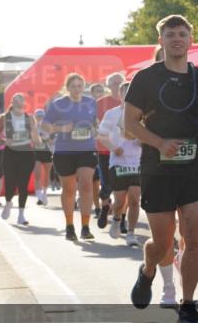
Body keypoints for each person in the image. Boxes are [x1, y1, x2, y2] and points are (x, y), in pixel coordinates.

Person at [126, 15, 198, 323]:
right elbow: (129, 125)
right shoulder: (145, 79)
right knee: (163, 242)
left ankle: (187, 302)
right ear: (161, 41)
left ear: (191, 39)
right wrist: (159, 142)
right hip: (157, 170)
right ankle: (148, 270)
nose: (177, 39)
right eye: (171, 34)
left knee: (194, 238)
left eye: (183, 33)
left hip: (194, 168)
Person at [41, 74, 100, 241]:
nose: (77, 89)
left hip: (87, 150)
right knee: (69, 190)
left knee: (86, 186)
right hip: (64, 152)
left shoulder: (90, 102)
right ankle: (69, 226)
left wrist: (96, 128)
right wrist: (60, 128)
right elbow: (44, 125)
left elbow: (95, 121)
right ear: (67, 87)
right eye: (73, 86)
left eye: (80, 85)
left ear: (83, 87)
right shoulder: (58, 105)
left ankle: (86, 227)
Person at [97, 81, 142, 246]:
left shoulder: (142, 114)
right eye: (125, 93)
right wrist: (113, 148)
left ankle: (131, 233)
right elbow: (101, 136)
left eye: (131, 92)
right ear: (120, 96)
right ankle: (116, 218)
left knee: (135, 199)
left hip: (137, 161)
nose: (128, 95)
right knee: (120, 201)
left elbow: (148, 135)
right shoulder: (111, 114)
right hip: (118, 162)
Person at [0, 94, 42, 225]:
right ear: (12, 102)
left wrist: (38, 141)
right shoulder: (4, 117)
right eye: (16, 101)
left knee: (23, 184)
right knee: (10, 181)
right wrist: (4, 140)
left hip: (26, 152)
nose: (19, 103)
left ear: (24, 103)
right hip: (10, 152)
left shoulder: (29, 118)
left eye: (21, 101)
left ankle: (21, 215)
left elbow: (35, 137)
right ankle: (8, 202)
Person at [95, 73, 124, 229]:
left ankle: (123, 218)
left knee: (125, 186)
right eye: (113, 83)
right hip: (106, 150)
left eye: (120, 82)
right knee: (107, 184)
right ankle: (105, 207)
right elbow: (96, 124)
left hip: (125, 151)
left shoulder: (130, 101)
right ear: (108, 85)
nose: (117, 85)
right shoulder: (101, 103)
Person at [32, 108, 52, 205]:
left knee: (47, 173)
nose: (40, 118)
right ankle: (39, 196)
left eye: (41, 116)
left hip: (47, 150)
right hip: (37, 151)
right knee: (37, 174)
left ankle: (44, 193)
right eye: (38, 116)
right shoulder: (33, 126)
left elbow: (50, 138)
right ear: (35, 117)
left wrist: (46, 137)